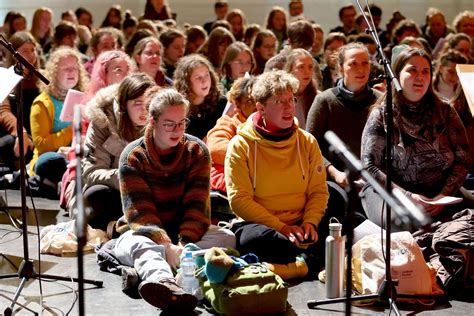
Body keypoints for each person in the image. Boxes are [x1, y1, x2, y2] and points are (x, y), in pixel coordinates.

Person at [114, 88, 235, 311]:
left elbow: (197, 205)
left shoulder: (196, 150)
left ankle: (180, 280)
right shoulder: (133, 156)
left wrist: (182, 244)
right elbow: (140, 212)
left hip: (184, 234)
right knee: (141, 247)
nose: (177, 130)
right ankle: (164, 283)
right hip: (144, 232)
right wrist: (166, 245)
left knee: (227, 237)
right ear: (153, 121)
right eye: (169, 124)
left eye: (182, 123)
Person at [225, 70, 329, 279]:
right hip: (267, 227)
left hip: (301, 223)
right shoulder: (241, 145)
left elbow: (318, 191)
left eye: (291, 99)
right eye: (280, 101)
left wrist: (310, 223)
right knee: (251, 240)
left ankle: (290, 266)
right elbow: (239, 200)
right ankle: (308, 263)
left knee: (340, 220)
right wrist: (281, 228)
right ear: (261, 108)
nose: (289, 107)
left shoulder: (306, 141)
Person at [360, 46, 471, 228]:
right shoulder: (382, 114)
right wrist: (407, 197)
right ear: (397, 75)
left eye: (425, 71)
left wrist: (442, 195)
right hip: (391, 192)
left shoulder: (445, 111)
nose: (420, 77)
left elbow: (464, 158)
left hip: (440, 192)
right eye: (412, 70)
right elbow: (369, 166)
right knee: (403, 225)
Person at [80, 73, 155, 230]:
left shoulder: (159, 121)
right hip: (116, 190)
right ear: (124, 105)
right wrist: (127, 175)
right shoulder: (102, 123)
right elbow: (91, 172)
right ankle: (113, 229)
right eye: (137, 103)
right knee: (96, 194)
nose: (144, 109)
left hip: (150, 191)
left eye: (148, 103)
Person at [306, 43, 381, 187]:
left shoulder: (380, 100)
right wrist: (334, 172)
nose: (360, 69)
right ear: (340, 68)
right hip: (334, 181)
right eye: (353, 64)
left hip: (374, 181)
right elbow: (310, 146)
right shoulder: (325, 100)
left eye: (365, 63)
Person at [29, 47, 89, 195]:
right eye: (65, 69)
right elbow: (42, 145)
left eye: (74, 68)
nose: (71, 72)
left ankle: (61, 186)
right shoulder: (42, 103)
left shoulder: (86, 98)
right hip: (55, 159)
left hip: (79, 155)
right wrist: (72, 129)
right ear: (54, 73)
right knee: (50, 160)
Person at [207, 76, 256, 193]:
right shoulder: (228, 123)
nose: (256, 106)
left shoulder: (274, 124)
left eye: (259, 100)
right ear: (238, 105)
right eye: (249, 101)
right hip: (232, 188)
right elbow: (215, 149)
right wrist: (254, 156)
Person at [173, 54, 227, 139]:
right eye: (198, 77)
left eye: (206, 75)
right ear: (187, 83)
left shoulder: (222, 103)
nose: (204, 81)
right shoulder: (179, 110)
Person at [283, 49, 317, 130]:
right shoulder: (281, 98)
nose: (307, 72)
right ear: (290, 70)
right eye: (301, 67)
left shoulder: (318, 97)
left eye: (310, 67)